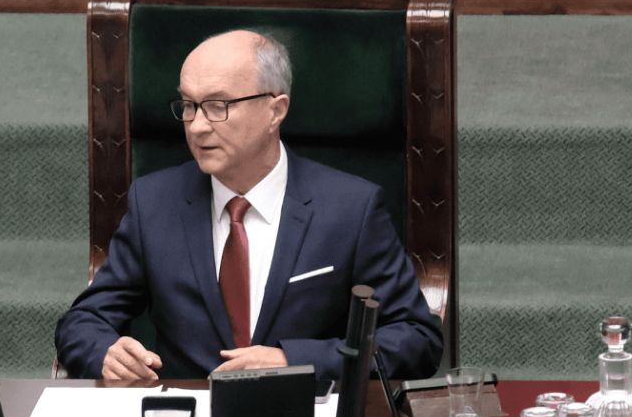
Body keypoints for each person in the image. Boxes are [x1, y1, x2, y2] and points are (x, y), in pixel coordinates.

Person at [55, 30, 442, 380]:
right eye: (188, 105)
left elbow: (417, 339)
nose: (197, 126)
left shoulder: (352, 209)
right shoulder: (154, 203)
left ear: (276, 110)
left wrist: (294, 361)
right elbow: (82, 323)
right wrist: (105, 353)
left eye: (218, 105)